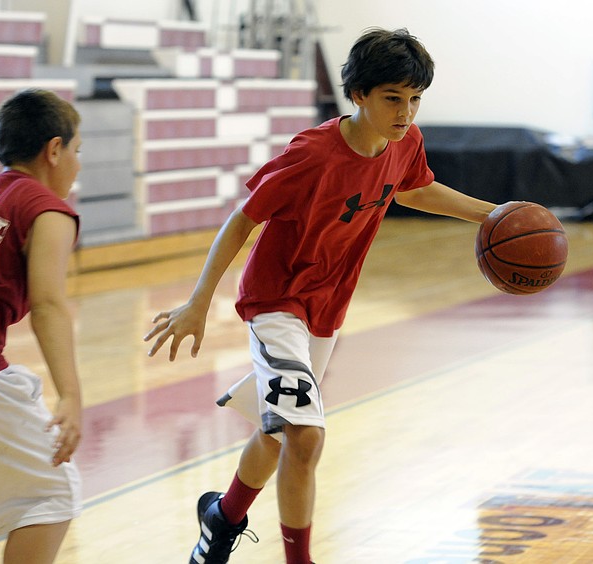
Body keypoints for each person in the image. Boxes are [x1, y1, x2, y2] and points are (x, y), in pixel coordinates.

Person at [145, 28, 497, 564]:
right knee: (304, 436)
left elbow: (416, 188)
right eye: (392, 98)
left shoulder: (405, 142)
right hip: (277, 301)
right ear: (358, 94)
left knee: (277, 432)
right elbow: (242, 219)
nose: (405, 112)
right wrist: (199, 301)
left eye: (415, 99)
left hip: (326, 308)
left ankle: (222, 517)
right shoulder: (313, 154)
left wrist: (492, 214)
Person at [0, 89, 83, 563]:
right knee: (51, 494)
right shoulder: (47, 209)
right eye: (78, 150)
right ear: (55, 149)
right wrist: (70, 395)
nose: (78, 164)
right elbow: (48, 305)